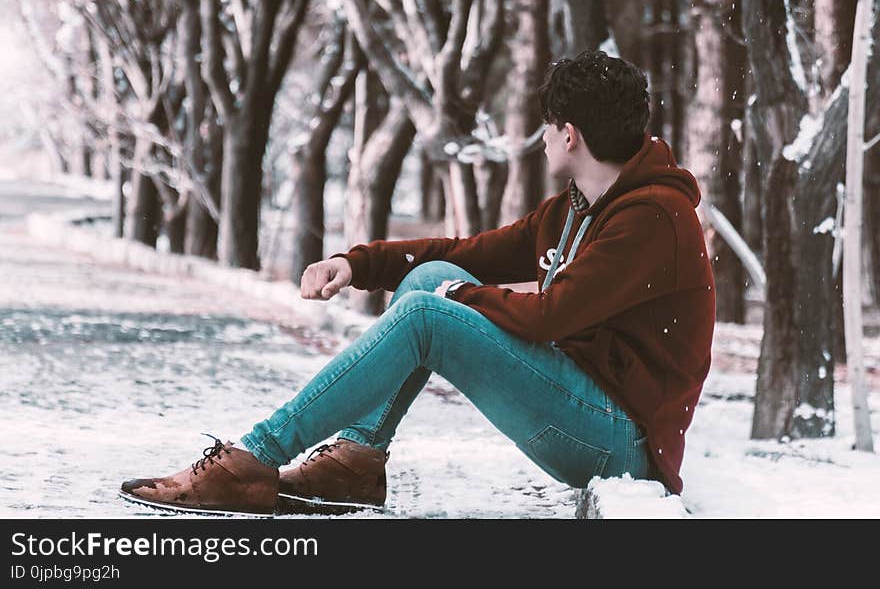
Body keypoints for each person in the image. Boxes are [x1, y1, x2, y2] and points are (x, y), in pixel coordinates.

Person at [119, 50, 715, 516]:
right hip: (584, 403)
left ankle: (253, 459)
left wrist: (454, 301)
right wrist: (359, 265)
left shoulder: (653, 217)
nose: (543, 139)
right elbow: (464, 255)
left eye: (548, 127)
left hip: (623, 444)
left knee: (430, 311)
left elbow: (549, 316)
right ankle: (354, 460)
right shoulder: (579, 206)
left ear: (569, 135)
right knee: (434, 277)